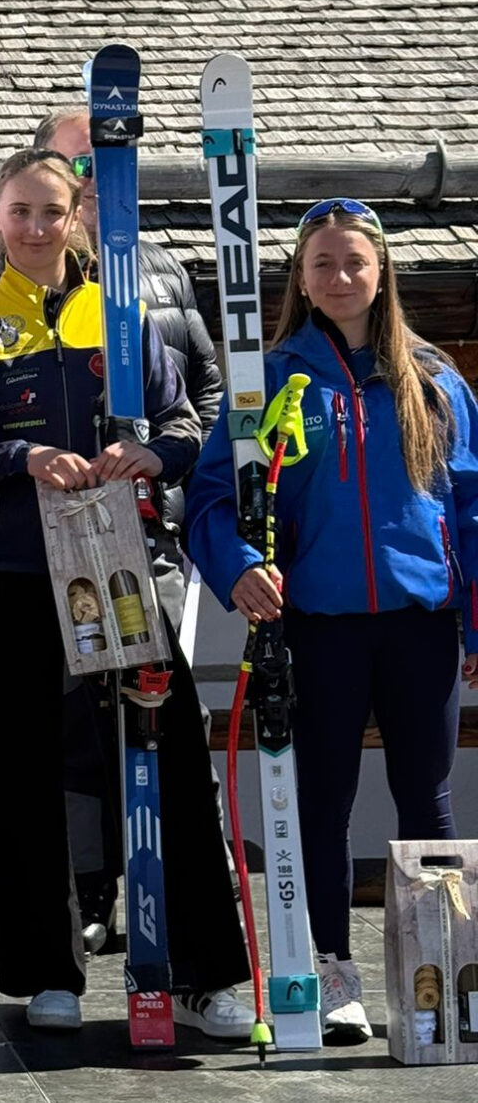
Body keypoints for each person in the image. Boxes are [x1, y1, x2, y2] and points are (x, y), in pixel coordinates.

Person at [0, 147, 251, 1035]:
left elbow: (187, 419)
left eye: (50, 212)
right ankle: (46, 974)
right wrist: (20, 457)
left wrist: (155, 452)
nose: (35, 228)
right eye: (18, 212)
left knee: (168, 760)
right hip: (16, 576)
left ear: (75, 219)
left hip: (119, 566)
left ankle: (204, 977)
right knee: (25, 772)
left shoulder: (122, 314)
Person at [187, 198, 478, 1043]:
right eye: (323, 264)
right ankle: (332, 974)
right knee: (323, 803)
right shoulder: (270, 380)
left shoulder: (434, 378)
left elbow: (470, 506)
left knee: (427, 801)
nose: (340, 276)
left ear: (382, 274)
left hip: (421, 623)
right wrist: (240, 566)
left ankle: (437, 983)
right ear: (302, 281)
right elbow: (213, 498)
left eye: (355, 262)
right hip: (318, 626)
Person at [0, 104, 228, 953]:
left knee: (162, 729)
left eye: (99, 167)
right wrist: (23, 458)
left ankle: (192, 941)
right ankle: (77, 914)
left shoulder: (152, 278)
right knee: (55, 743)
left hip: (138, 545)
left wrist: (159, 460)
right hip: (26, 556)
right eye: (71, 167)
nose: (82, 186)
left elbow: (197, 399)